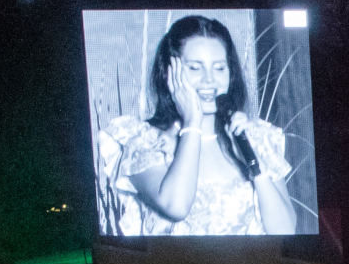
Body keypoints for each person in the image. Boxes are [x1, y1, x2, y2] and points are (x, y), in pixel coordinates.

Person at [99, 15, 298, 235]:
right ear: (169, 72)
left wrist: (254, 165)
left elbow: (285, 231)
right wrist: (192, 123)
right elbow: (176, 206)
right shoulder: (146, 142)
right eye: (195, 68)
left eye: (220, 68)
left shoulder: (256, 136)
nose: (209, 80)